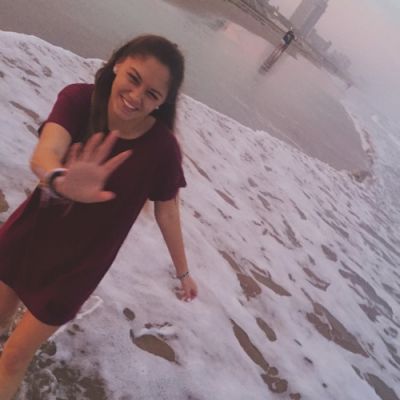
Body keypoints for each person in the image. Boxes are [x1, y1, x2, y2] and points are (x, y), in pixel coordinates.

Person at [0, 34, 198, 398]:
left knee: (13, 358)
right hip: (27, 239)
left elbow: (168, 211)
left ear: (163, 102)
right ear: (118, 64)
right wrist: (59, 180)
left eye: (152, 94)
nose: (136, 96)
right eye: (133, 78)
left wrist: (183, 272)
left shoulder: (162, 150)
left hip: (75, 270)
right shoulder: (78, 100)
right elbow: (45, 153)